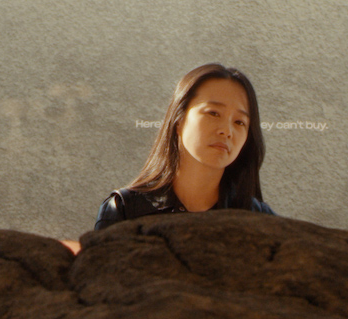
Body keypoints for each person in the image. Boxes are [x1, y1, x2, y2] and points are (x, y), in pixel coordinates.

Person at [94, 63, 274, 230]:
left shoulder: (259, 220)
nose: (226, 131)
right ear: (178, 121)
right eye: (213, 113)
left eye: (239, 122)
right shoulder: (125, 210)